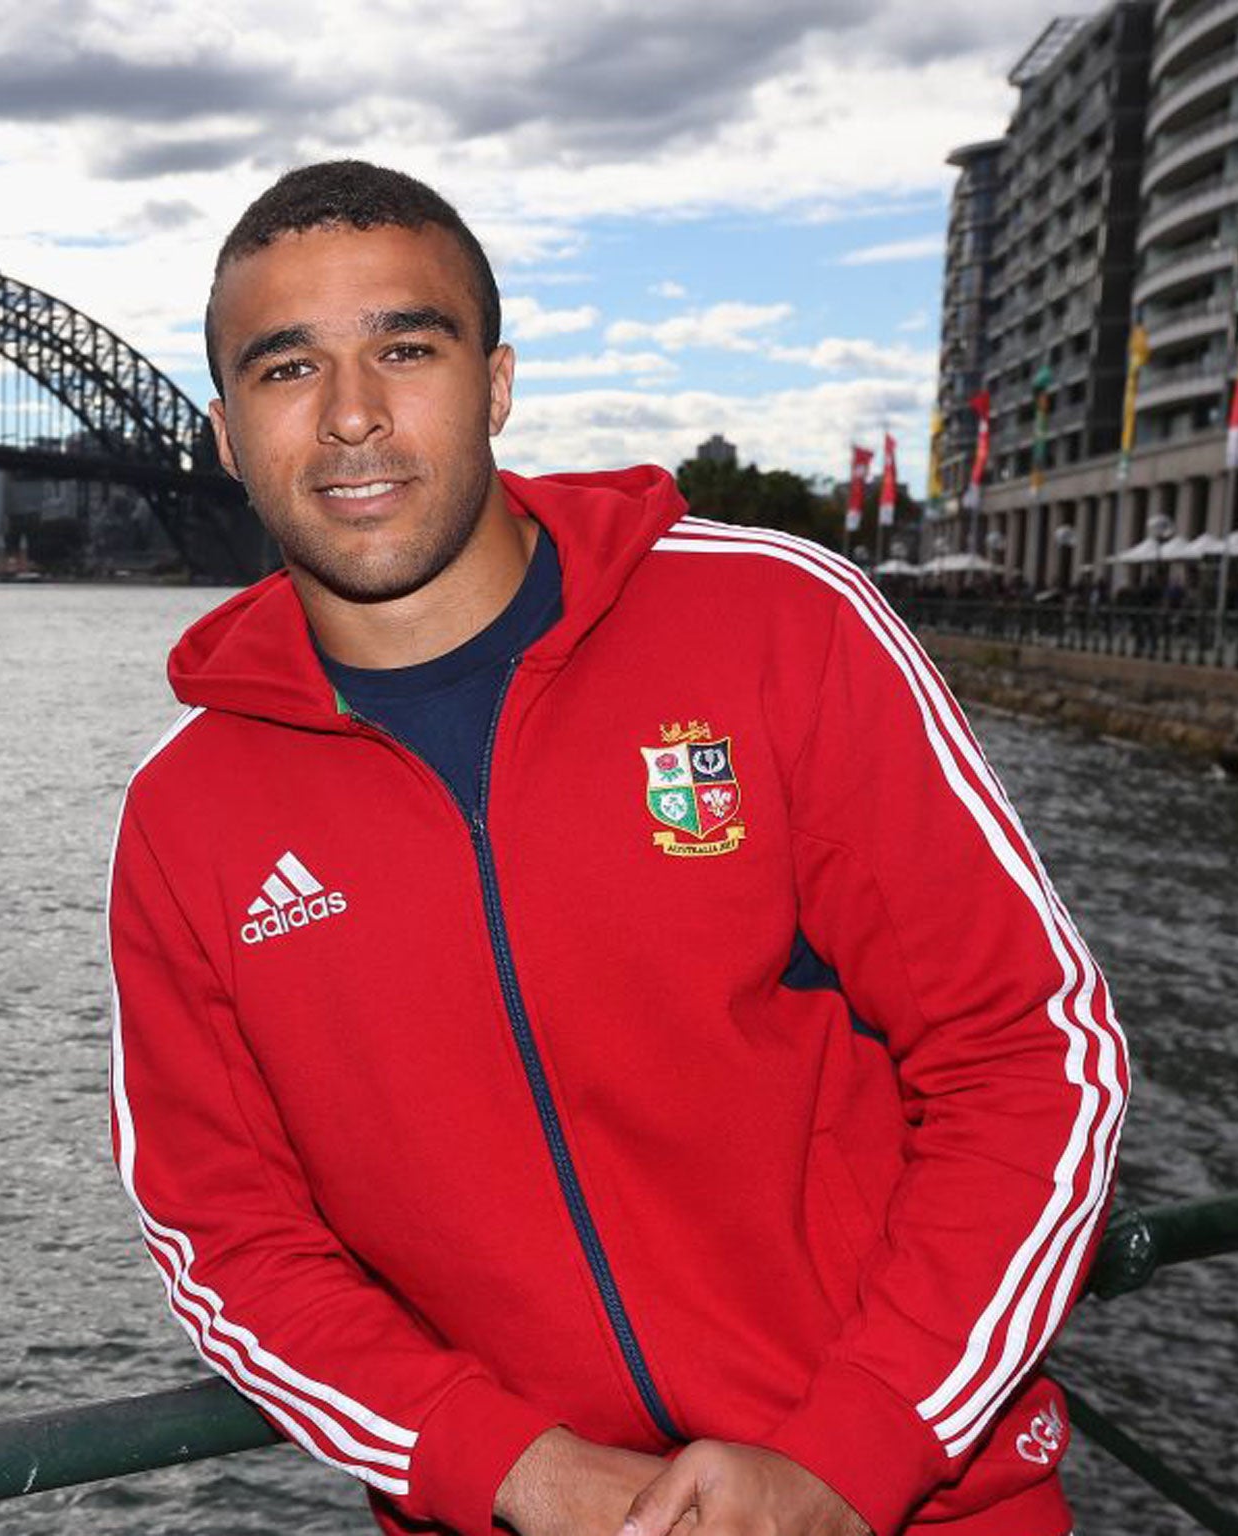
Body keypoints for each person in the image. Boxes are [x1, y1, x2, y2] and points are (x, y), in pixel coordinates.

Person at [107, 160, 1128, 1536]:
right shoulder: (191, 812)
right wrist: (508, 1465)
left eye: (407, 349)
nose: (353, 415)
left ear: (498, 383)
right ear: (227, 434)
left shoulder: (775, 626)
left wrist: (856, 1450)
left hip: (908, 1508)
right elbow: (227, 1239)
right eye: (289, 370)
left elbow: (1031, 1053)